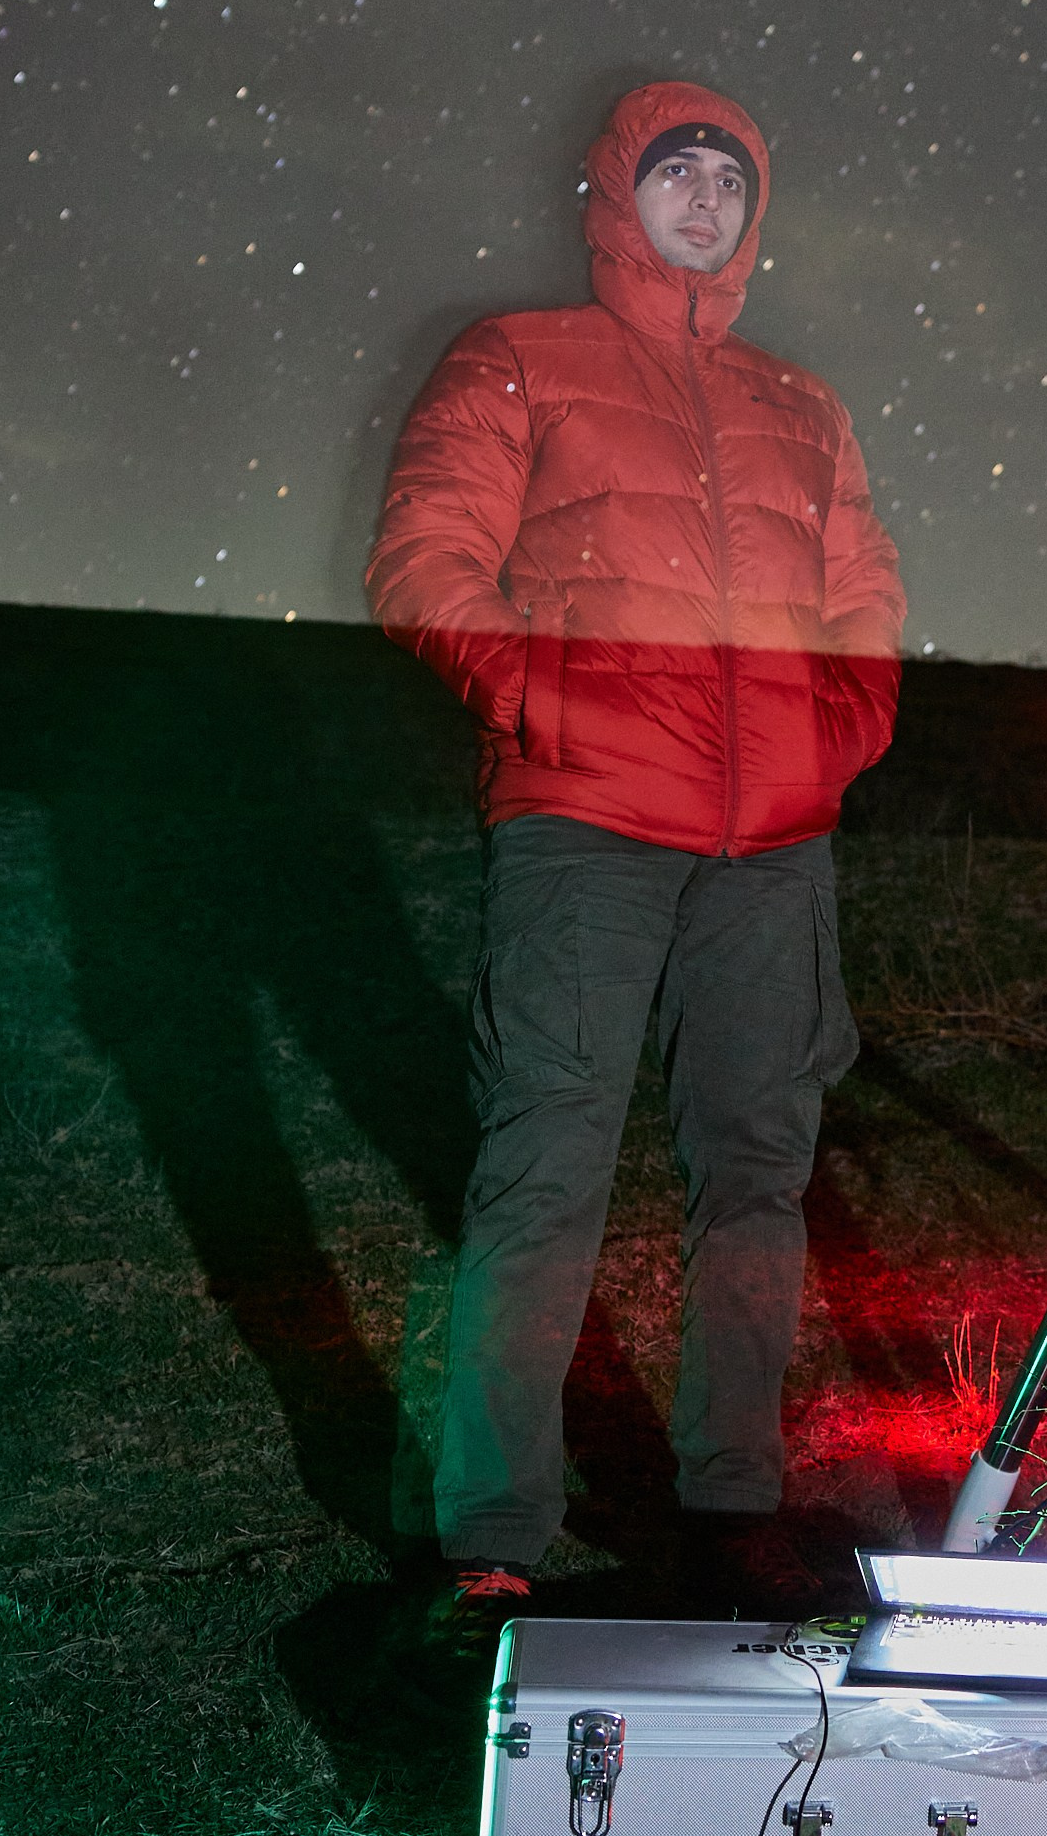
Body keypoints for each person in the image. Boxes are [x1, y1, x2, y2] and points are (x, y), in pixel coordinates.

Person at [366, 80, 905, 1633]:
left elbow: (862, 594)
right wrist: (554, 702)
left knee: (757, 1171)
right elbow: (425, 560)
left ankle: (730, 1500)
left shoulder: (800, 403)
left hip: (773, 841)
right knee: (545, 1164)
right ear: (615, 192)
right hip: (586, 821)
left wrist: (838, 731)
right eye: (677, 173)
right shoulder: (519, 356)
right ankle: (493, 1530)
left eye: (730, 181)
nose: (705, 201)